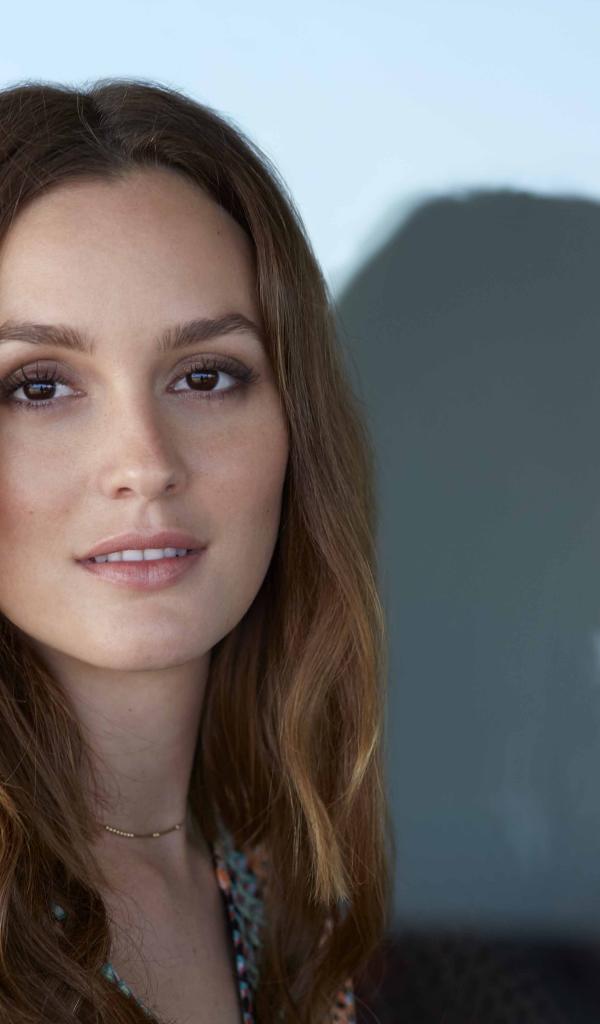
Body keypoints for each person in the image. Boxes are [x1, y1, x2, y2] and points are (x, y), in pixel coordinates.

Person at [0, 78, 394, 1024]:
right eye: (39, 387)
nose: (144, 464)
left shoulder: (290, 903)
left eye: (206, 376)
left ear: (296, 426)